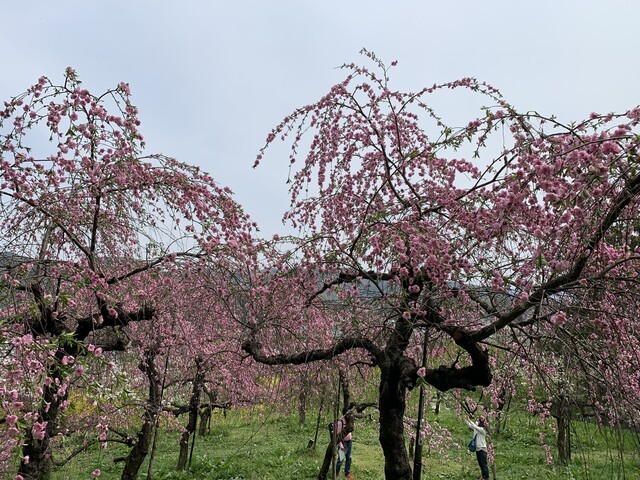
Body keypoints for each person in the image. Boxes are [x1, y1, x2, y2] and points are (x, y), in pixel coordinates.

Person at [465, 415, 490, 480]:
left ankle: (486, 477)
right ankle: (483, 476)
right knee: (480, 464)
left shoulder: (482, 430)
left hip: (482, 449)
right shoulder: (476, 429)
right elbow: (471, 425)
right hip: (478, 449)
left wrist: (469, 420)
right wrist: (466, 419)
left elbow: (475, 426)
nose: (476, 422)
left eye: (478, 421)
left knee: (483, 464)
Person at [334, 413, 354, 479]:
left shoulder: (350, 421)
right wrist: (341, 446)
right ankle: (336, 474)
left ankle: (347, 473)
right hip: (343, 442)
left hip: (349, 442)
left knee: (349, 458)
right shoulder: (340, 422)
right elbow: (337, 436)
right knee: (341, 459)